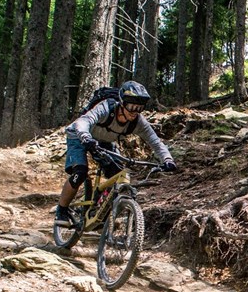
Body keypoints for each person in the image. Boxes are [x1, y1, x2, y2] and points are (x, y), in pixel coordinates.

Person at [55, 80, 178, 226]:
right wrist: (85, 137)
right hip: (79, 135)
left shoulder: (138, 121)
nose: (135, 112)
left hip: (104, 141)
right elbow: (83, 121)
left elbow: (155, 142)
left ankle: (98, 210)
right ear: (122, 103)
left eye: (139, 108)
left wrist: (168, 160)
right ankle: (61, 211)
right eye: (131, 107)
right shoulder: (106, 107)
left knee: (118, 175)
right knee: (80, 172)